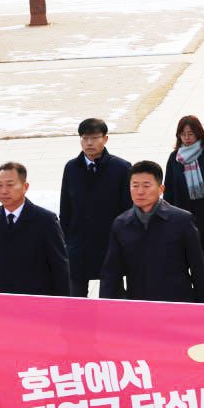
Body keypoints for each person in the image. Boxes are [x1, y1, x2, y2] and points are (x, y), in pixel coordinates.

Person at [99, 161, 204, 303]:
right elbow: (111, 273)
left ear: (161, 189)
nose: (140, 191)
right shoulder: (121, 224)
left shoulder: (182, 221)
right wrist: (106, 306)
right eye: (135, 186)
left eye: (146, 186)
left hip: (177, 303)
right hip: (139, 304)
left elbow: (199, 270)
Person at [0, 161, 69, 296]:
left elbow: (60, 268)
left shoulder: (45, 220)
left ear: (25, 187)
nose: (4, 190)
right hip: (1, 302)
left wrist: (63, 305)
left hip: (36, 301)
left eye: (10, 185)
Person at [60, 117, 131, 297]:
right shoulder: (71, 168)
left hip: (109, 244)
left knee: (112, 300)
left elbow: (128, 210)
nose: (89, 143)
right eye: (85, 138)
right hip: (79, 246)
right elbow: (65, 210)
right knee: (75, 301)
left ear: (105, 139)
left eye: (94, 138)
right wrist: (67, 242)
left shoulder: (121, 168)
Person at [164, 115, 204, 280]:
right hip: (183, 213)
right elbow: (169, 188)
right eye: (183, 134)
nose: (187, 138)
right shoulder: (174, 158)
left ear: (199, 133)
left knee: (202, 254)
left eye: (190, 134)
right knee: (184, 254)